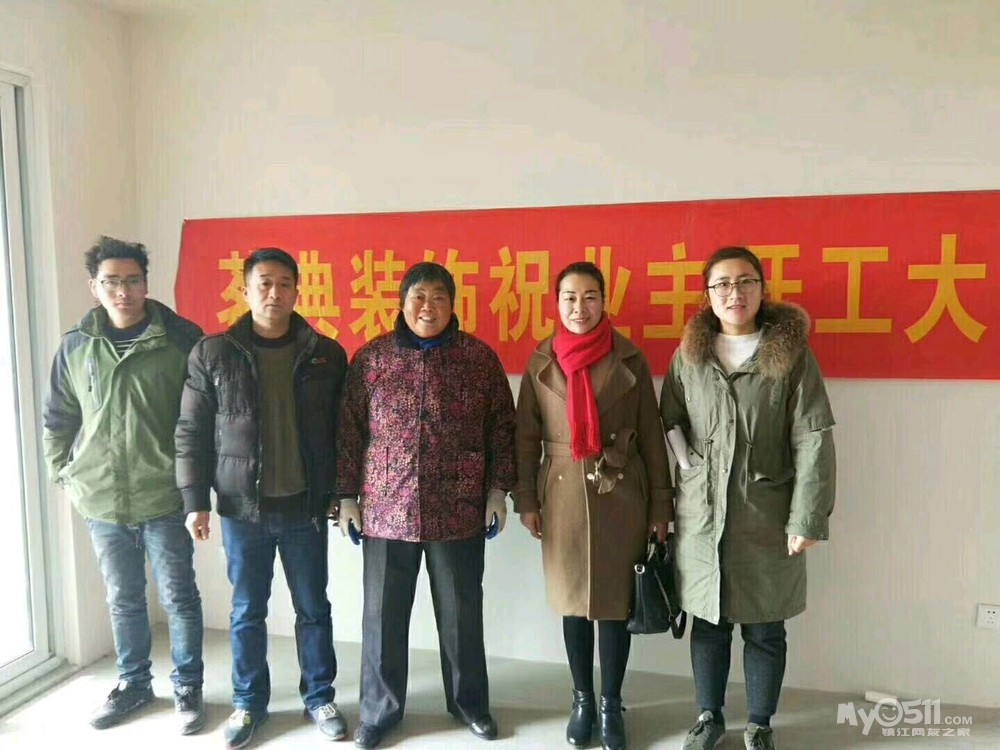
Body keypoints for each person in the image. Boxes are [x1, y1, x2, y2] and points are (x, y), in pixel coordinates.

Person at [659, 246, 836, 750]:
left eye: (745, 282)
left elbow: (813, 435)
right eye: (722, 284)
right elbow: (670, 416)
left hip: (767, 514)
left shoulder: (790, 356)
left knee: (764, 627)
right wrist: (688, 466)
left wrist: (807, 517)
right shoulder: (690, 355)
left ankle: (759, 724)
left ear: (761, 288)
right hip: (702, 513)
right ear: (707, 294)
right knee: (708, 622)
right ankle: (708, 717)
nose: (734, 293)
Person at [175, 247, 349, 750]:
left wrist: (342, 493)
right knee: (247, 610)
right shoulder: (214, 353)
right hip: (242, 510)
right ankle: (248, 702)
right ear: (246, 290)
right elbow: (191, 431)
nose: (274, 293)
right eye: (264, 283)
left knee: (313, 608)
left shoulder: (324, 354)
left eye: (284, 284)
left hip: (304, 507)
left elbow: (344, 431)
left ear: (298, 290)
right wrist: (194, 499)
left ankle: (320, 697)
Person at [336, 261, 515, 750]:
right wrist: (346, 497)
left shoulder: (478, 360)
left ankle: (469, 704)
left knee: (462, 616)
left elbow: (503, 428)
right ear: (402, 303)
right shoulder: (372, 358)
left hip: (458, 508)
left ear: (452, 304)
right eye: (418, 297)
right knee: (381, 619)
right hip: (385, 509)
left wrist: (498, 492)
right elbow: (349, 432)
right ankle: (379, 712)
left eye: (438, 297)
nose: (428, 307)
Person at [42, 236, 206, 734]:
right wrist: (64, 473)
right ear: (94, 287)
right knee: (123, 597)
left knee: (178, 596)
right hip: (102, 498)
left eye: (132, 280)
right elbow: (58, 416)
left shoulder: (182, 340)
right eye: (111, 281)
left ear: (146, 284)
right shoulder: (76, 345)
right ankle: (134, 684)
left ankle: (188, 685)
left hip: (164, 494)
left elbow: (202, 420)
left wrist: (195, 489)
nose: (123, 291)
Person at [514, 261, 672, 750]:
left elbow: (651, 436)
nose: (579, 307)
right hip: (561, 495)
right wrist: (526, 499)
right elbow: (526, 437)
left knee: (614, 605)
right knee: (572, 603)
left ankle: (610, 704)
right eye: (569, 297)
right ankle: (582, 699)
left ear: (604, 302)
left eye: (589, 297)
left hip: (621, 493)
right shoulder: (541, 360)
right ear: (556, 303)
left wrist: (661, 507)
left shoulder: (630, 359)